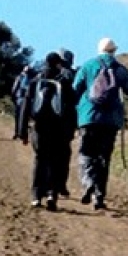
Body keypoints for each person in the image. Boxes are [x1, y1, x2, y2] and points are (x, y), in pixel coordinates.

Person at [72, 38, 128, 210]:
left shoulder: (87, 66)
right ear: (113, 51)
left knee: (87, 153)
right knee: (103, 158)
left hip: (89, 118)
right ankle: (99, 196)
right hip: (111, 121)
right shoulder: (119, 69)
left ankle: (88, 184)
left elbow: (75, 89)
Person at [17, 52, 77, 211]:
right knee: (56, 161)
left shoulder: (35, 81)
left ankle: (36, 195)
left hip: (39, 126)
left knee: (40, 159)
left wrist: (22, 131)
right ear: (58, 64)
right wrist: (71, 129)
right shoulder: (64, 82)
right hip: (58, 127)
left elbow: (25, 107)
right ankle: (52, 194)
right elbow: (72, 107)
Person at [54, 48, 78, 197]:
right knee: (64, 154)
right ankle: (60, 185)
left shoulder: (50, 73)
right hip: (67, 120)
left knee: (50, 153)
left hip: (51, 118)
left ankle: (48, 185)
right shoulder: (73, 75)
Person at [11, 65, 33, 140]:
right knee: (24, 118)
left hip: (20, 99)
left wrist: (13, 97)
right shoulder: (31, 79)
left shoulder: (20, 77)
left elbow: (14, 88)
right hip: (25, 100)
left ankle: (18, 133)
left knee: (18, 117)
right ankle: (21, 134)